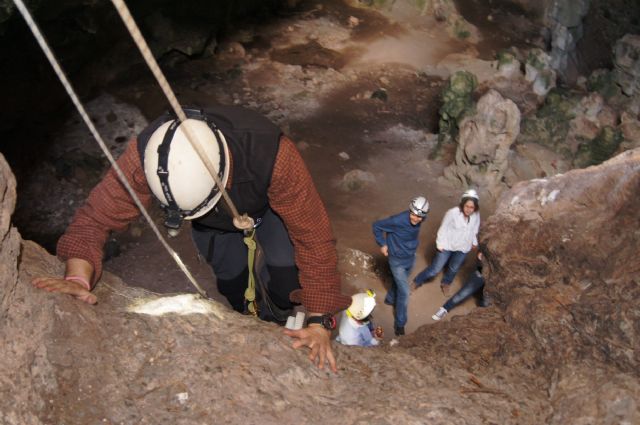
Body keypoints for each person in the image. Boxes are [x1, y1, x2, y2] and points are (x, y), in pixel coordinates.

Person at [31, 105, 352, 372]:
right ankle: (256, 320)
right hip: (211, 221)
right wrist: (77, 277)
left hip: (269, 209)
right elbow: (95, 219)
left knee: (286, 272)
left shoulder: (273, 154)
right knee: (232, 282)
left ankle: (284, 313)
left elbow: (313, 237)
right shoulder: (149, 156)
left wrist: (320, 320)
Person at [372, 196, 429, 336]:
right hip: (396, 261)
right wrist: (383, 244)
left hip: (410, 257)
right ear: (410, 210)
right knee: (404, 292)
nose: (416, 219)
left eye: (420, 217)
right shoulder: (398, 220)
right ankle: (400, 325)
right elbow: (376, 226)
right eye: (413, 214)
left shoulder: (420, 219)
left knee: (399, 284)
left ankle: (390, 299)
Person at [414, 189, 480, 296]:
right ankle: (417, 281)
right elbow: (443, 228)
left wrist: (474, 241)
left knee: (454, 268)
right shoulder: (452, 213)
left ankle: (446, 283)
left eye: (472, 207)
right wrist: (439, 244)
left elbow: (474, 228)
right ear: (462, 204)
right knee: (435, 269)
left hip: (463, 247)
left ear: (475, 207)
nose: (469, 209)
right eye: (467, 206)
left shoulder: (476, 215)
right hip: (447, 245)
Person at [432, 252, 489, 321]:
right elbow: (481, 253)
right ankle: (445, 308)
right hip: (482, 273)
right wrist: (481, 258)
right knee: (462, 294)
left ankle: (481, 317)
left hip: (497, 281)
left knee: (486, 302)